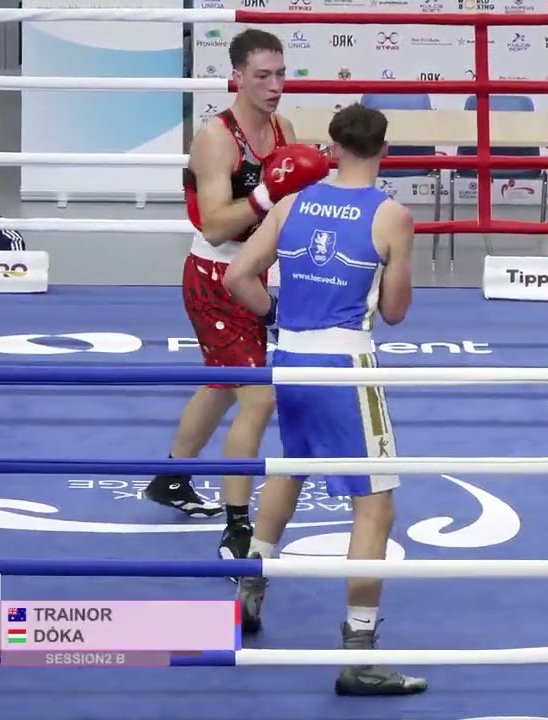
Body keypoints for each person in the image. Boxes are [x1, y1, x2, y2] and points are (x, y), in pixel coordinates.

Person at [223, 102, 426, 696]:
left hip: (290, 359)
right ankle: (359, 653)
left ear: (331, 149)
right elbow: (395, 312)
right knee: (375, 505)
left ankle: (249, 591)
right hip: (344, 367)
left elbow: (237, 276)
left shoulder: (291, 204)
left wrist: (279, 318)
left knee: (292, 466)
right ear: (384, 150)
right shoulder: (391, 215)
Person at [144, 29, 329, 573]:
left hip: (256, 271)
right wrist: (268, 193)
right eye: (262, 76)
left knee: (224, 382)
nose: (274, 86)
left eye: (280, 74)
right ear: (238, 77)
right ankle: (238, 523)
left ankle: (171, 477)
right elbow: (215, 224)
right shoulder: (216, 138)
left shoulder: (284, 129)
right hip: (213, 278)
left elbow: (288, 209)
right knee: (259, 398)